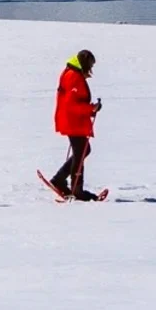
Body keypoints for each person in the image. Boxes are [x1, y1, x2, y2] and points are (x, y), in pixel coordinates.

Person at [48, 50, 103, 200]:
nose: (91, 67)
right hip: (72, 120)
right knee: (81, 151)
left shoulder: (73, 73)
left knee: (82, 151)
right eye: (91, 64)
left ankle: (61, 180)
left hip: (73, 120)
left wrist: (90, 109)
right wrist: (90, 109)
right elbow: (71, 104)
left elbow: (75, 101)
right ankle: (75, 188)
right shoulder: (73, 76)